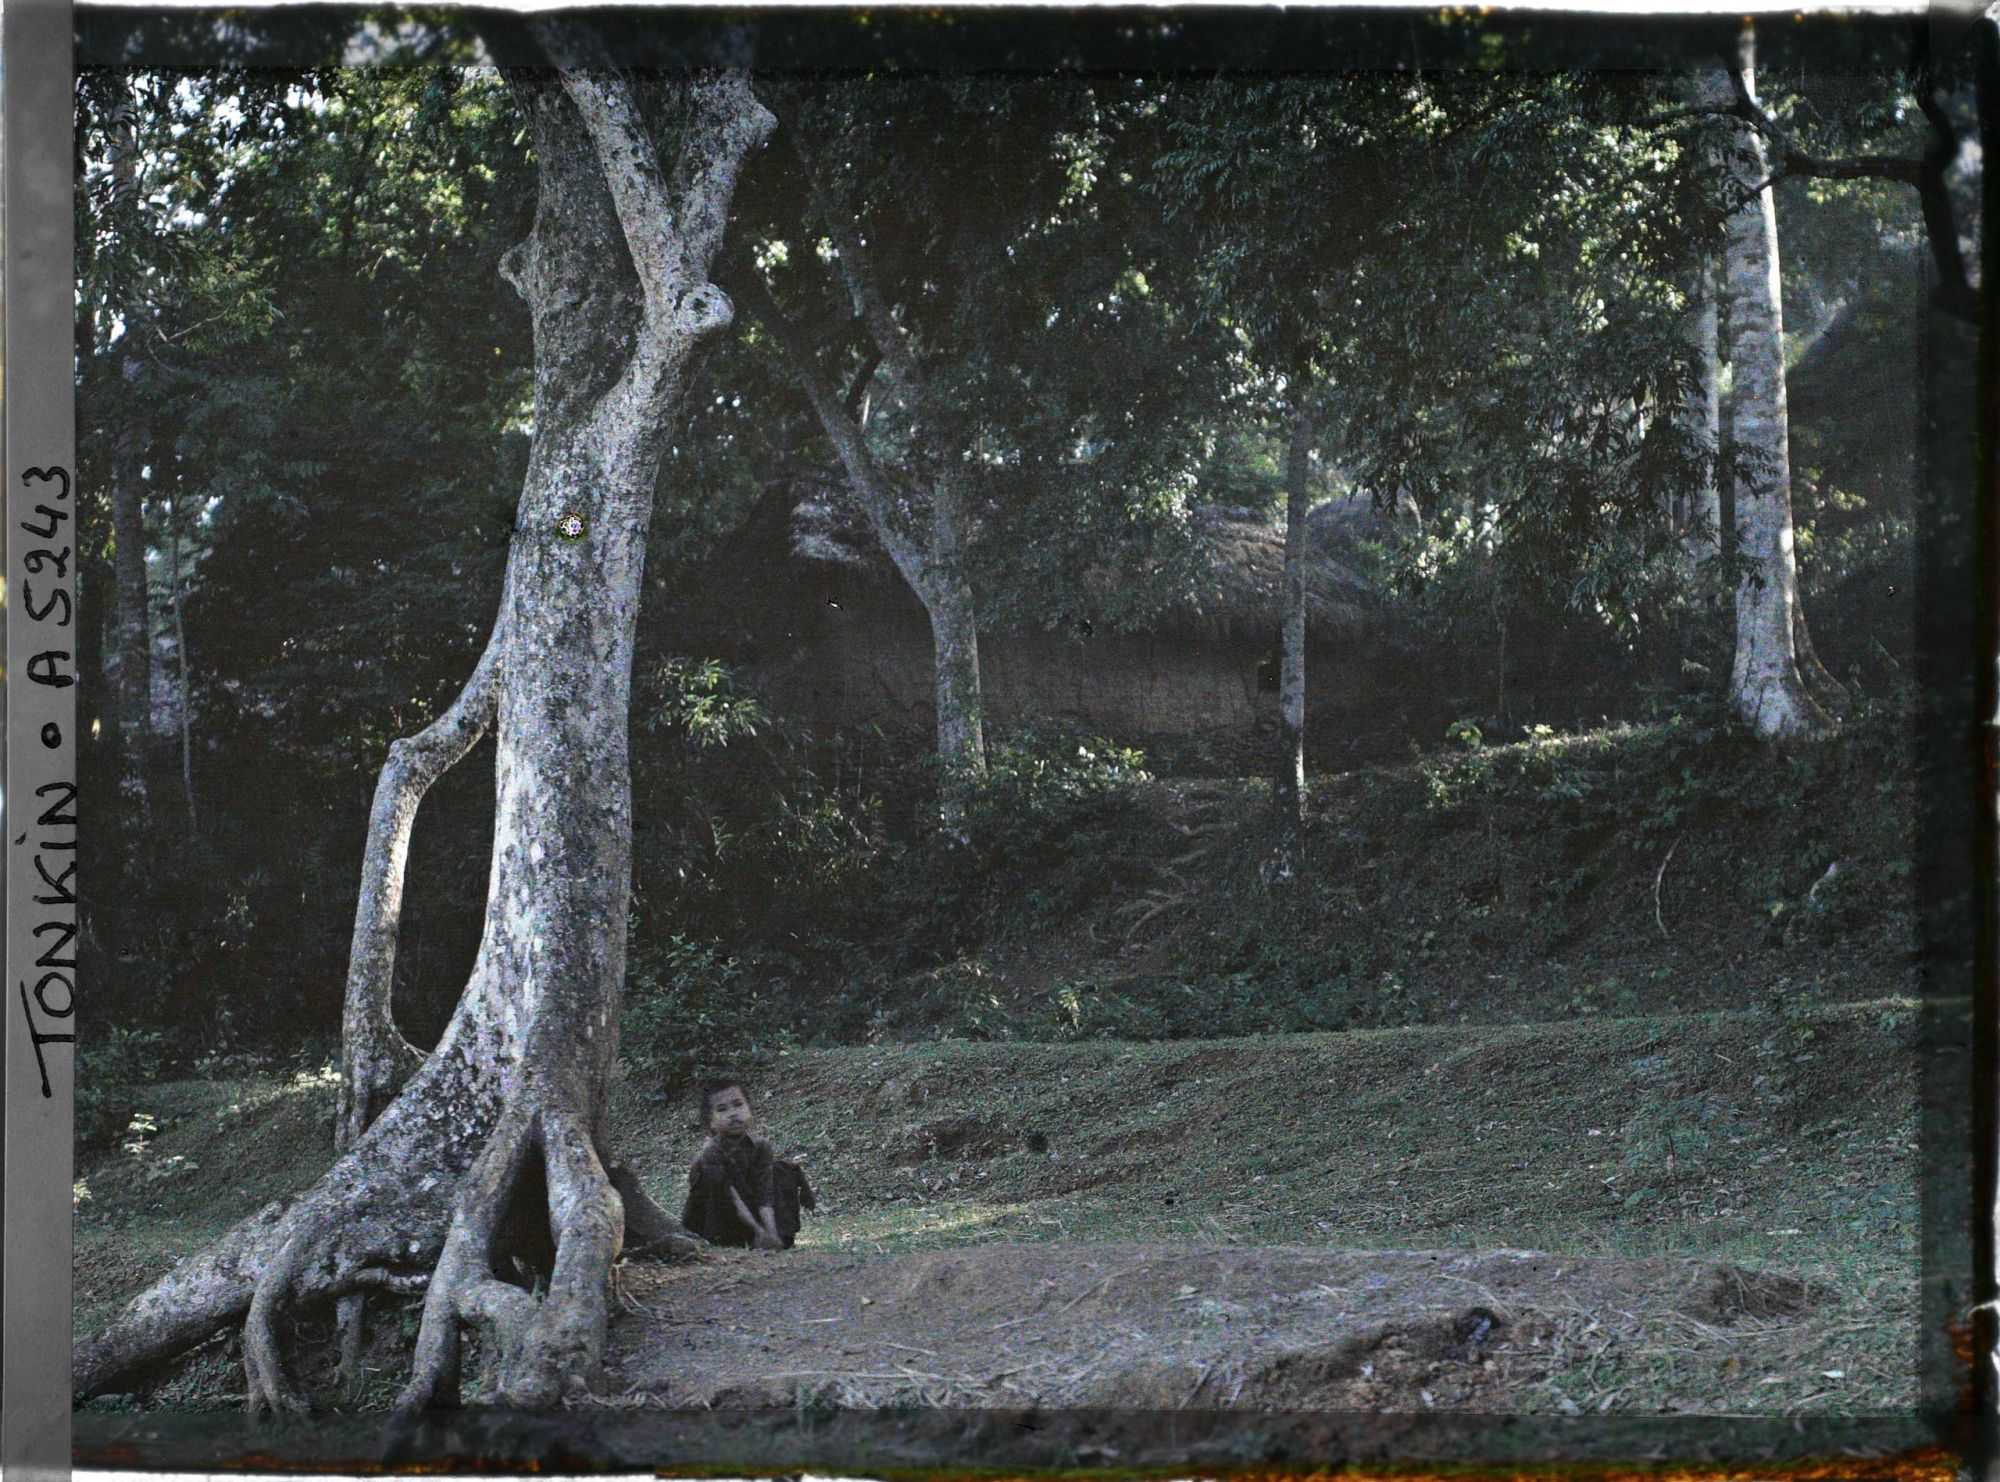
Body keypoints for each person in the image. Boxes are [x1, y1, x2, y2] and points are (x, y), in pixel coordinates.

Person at [680, 1074, 815, 1250]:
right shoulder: (712, 1152)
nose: (733, 1114)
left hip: (753, 1209)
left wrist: (771, 1232)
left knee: (783, 1171)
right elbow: (731, 1196)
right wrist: (758, 1231)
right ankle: (733, 1240)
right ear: (711, 1122)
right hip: (721, 1217)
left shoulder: (760, 1147)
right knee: (716, 1179)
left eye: (738, 1105)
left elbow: (765, 1191)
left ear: (749, 1109)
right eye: (722, 1109)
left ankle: (781, 1236)